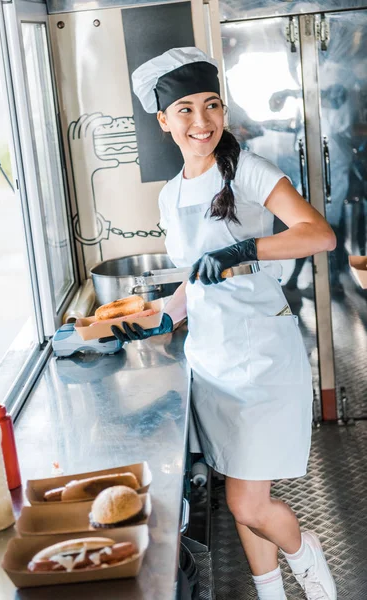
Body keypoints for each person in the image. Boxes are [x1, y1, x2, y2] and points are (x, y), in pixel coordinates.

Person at [107, 47, 337, 600]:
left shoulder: (250, 170)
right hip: (211, 361)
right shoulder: (171, 195)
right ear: (163, 121)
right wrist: (164, 314)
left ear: (223, 111)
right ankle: (271, 592)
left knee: (247, 502)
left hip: (259, 358)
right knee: (241, 492)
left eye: (210, 105)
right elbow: (195, 277)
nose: (201, 121)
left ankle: (310, 566)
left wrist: (246, 247)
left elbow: (319, 235)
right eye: (184, 109)